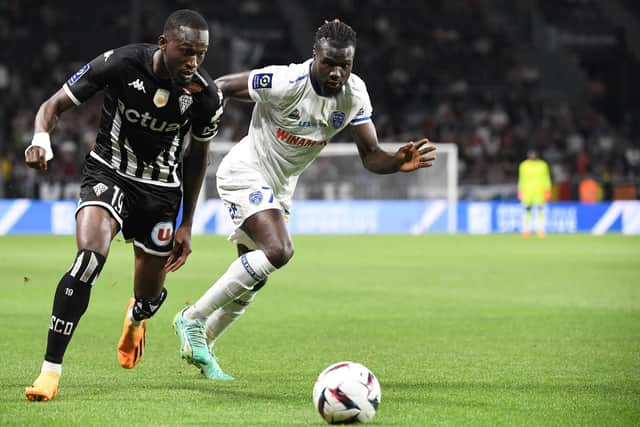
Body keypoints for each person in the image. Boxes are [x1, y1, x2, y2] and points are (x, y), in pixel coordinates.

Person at [172, 19, 437, 380]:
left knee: (255, 276)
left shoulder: (354, 94)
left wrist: (394, 162)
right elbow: (221, 86)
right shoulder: (284, 81)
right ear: (314, 55)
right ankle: (192, 319)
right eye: (329, 62)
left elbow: (371, 154)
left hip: (279, 187)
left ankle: (203, 344)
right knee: (279, 251)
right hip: (245, 170)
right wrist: (194, 117)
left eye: (345, 64)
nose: (336, 72)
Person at [24, 9, 223, 401]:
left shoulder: (206, 96)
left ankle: (137, 318)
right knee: (88, 261)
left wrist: (186, 223)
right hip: (108, 174)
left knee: (149, 297)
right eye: (186, 51)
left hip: (162, 193)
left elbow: (198, 159)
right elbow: (53, 105)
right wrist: (40, 138)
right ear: (164, 44)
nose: (193, 62)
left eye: (201, 54)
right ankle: (50, 372)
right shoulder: (121, 62)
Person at [518, 149, 551, 237]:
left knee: (540, 209)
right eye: (531, 155)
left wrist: (547, 190)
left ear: (537, 155)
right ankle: (526, 230)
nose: (532, 156)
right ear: (528, 156)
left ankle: (540, 230)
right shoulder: (523, 165)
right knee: (527, 210)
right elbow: (521, 179)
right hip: (527, 191)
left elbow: (546, 178)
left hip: (539, 190)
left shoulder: (543, 165)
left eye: (534, 154)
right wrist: (520, 191)